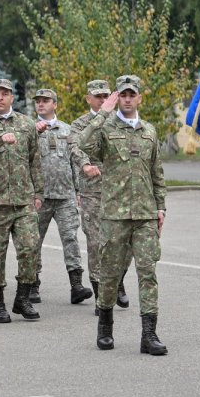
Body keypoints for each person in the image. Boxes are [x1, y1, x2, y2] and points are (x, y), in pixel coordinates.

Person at [79, 75, 167, 355]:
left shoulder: (149, 131)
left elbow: (157, 172)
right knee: (110, 274)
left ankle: (149, 334)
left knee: (148, 273)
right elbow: (83, 143)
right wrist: (102, 114)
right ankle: (105, 325)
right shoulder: (105, 128)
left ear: (139, 98)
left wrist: (160, 206)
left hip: (144, 215)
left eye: (132, 94)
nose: (128, 99)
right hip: (114, 215)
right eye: (123, 95)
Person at [0, 78, 44, 322]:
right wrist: (0, 138)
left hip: (23, 200)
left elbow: (35, 159)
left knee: (30, 248)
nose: (0, 97)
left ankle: (22, 298)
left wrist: (38, 192)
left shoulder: (26, 123)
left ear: (12, 97)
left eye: (5, 93)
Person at [70, 80, 129, 313]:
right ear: (89, 99)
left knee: (123, 244)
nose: (103, 100)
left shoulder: (121, 123)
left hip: (118, 191)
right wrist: (85, 164)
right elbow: (74, 146)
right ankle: (99, 294)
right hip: (92, 192)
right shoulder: (81, 124)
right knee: (96, 243)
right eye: (98, 96)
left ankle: (118, 281)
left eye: (106, 96)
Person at [32, 88, 92, 305]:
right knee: (33, 242)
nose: (41, 104)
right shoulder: (30, 130)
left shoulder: (67, 130)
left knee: (70, 238)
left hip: (65, 196)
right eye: (38, 101)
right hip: (40, 197)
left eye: (45, 100)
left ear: (55, 104)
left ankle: (76, 284)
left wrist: (78, 191)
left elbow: (74, 162)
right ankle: (32, 284)